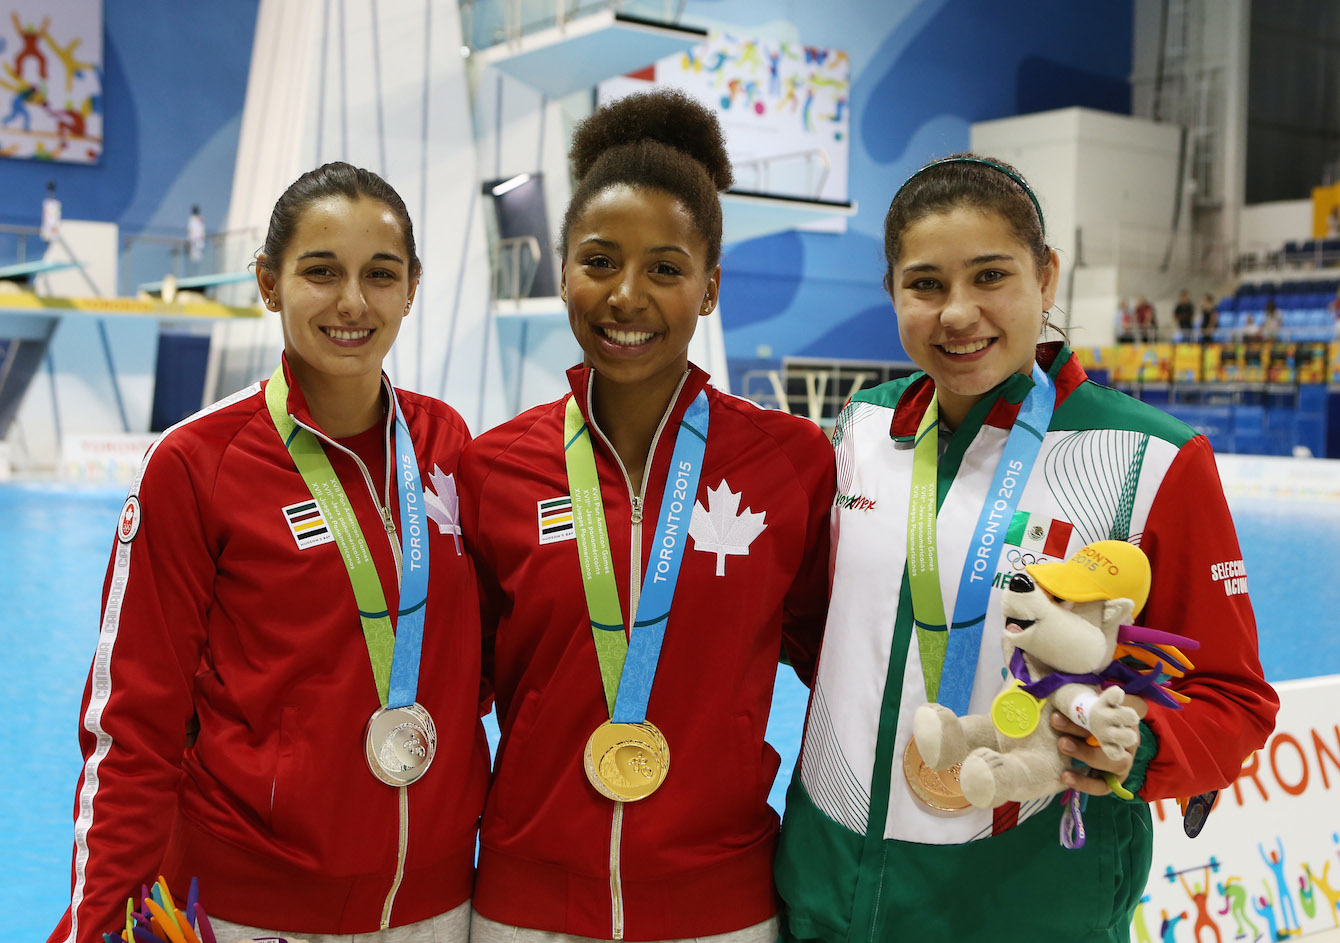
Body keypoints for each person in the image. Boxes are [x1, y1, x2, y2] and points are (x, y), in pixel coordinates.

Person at [773, 154, 1277, 943]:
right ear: (893, 292)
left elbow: (1234, 699)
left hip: (1028, 903)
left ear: (1046, 277)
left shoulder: (1151, 459)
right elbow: (823, 634)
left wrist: (1134, 744)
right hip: (830, 885)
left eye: (990, 276)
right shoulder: (860, 431)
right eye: (926, 284)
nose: (957, 312)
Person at [48, 162, 489, 943]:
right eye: (321, 272)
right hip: (252, 912)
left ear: (412, 287)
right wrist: (99, 925)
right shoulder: (197, 463)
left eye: (380, 274)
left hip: (437, 910)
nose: (352, 302)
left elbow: (481, 666)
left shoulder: (445, 444)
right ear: (268, 282)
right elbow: (133, 728)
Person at [457, 89, 835, 943]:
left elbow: (851, 674)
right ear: (562, 272)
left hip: (720, 906)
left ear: (709, 288)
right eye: (599, 261)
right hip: (526, 908)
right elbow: (443, 684)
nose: (627, 296)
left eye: (665, 269)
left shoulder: (789, 465)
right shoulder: (492, 470)